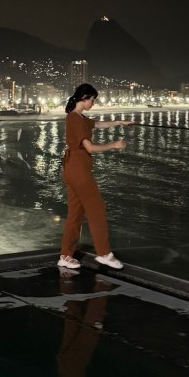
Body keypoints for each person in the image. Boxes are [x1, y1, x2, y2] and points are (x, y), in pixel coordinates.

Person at [58, 82, 134, 275]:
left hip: (71, 168)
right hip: (79, 170)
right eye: (92, 100)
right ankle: (104, 253)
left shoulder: (77, 117)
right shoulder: (76, 120)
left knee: (75, 213)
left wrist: (119, 122)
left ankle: (65, 255)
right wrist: (114, 145)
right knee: (97, 209)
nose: (93, 103)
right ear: (84, 99)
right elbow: (90, 148)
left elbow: (98, 124)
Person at [56, 276, 124, 377]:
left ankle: (102, 285)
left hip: (73, 372)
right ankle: (66, 281)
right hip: (64, 369)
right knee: (72, 321)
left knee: (90, 330)